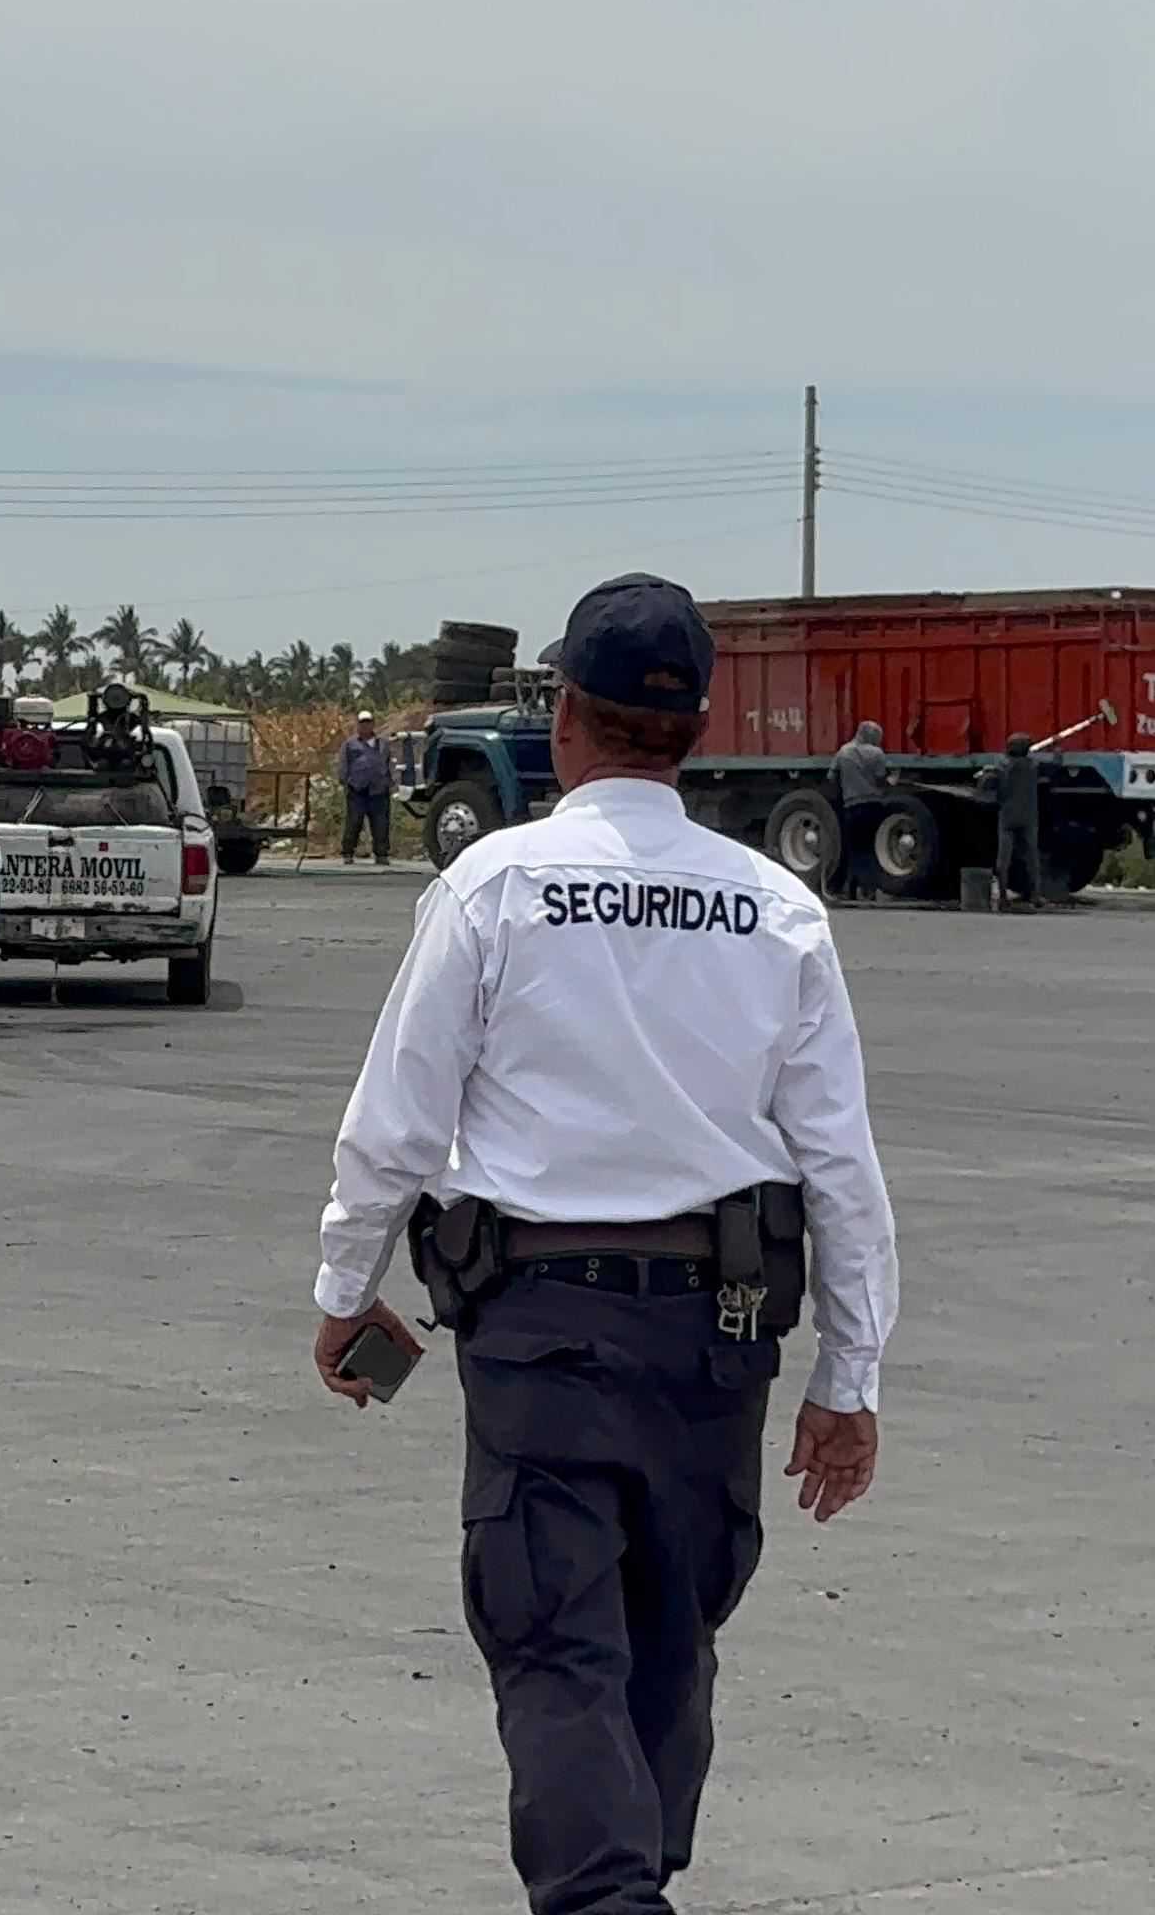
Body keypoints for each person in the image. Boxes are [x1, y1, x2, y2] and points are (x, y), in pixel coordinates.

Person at [313, 572, 899, 1915]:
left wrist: (346, 1287)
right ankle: (632, 1882)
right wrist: (849, 1378)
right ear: (696, 729)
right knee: (670, 1636)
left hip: (542, 1335)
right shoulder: (776, 909)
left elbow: (396, 1124)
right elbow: (842, 1169)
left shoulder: (493, 886)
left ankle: (609, 1899)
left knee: (556, 1638)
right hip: (716, 1341)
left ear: (565, 713)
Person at [829, 719, 891, 902]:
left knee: (853, 849)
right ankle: (869, 889)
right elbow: (881, 778)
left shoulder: (843, 752)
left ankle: (850, 889)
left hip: (851, 806)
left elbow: (831, 776)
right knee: (870, 848)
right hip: (873, 805)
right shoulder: (877, 754)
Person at [987, 733, 1048, 908]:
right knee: (1032, 858)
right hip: (1028, 818)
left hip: (1007, 817)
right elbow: (1055, 764)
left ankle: (1002, 897)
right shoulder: (1033, 766)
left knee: (1003, 860)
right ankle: (1035, 895)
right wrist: (1057, 751)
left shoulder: (1002, 766)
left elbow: (991, 787)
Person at [337, 712, 394, 864]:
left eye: (368, 722)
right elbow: (344, 764)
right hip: (357, 789)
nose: (365, 725)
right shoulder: (350, 744)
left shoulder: (383, 744)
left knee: (381, 824)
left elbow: (389, 763)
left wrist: (390, 781)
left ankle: (381, 854)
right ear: (358, 725)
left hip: (379, 790)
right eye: (362, 722)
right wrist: (345, 781)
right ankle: (348, 852)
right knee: (354, 822)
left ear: (373, 724)